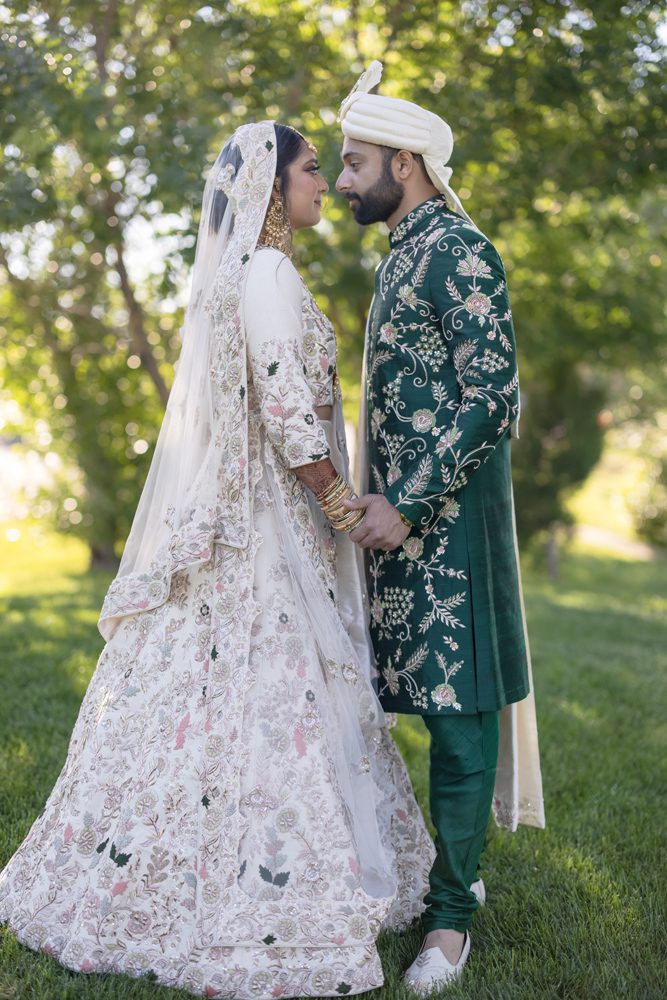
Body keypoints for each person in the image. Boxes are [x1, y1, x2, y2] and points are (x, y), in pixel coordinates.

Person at [0, 120, 435, 999]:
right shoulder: (266, 273)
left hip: (258, 516)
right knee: (274, 690)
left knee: (228, 696)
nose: (325, 182)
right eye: (311, 169)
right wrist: (341, 506)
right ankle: (249, 893)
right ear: (272, 187)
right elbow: (283, 403)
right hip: (267, 526)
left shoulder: (242, 274)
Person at [335, 63, 546, 993]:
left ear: (404, 163)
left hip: (446, 531)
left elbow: (492, 396)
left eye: (354, 162)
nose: (343, 180)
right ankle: (438, 872)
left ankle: (451, 920)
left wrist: (407, 501)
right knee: (411, 707)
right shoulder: (401, 253)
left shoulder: (457, 248)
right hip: (397, 531)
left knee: (459, 724)